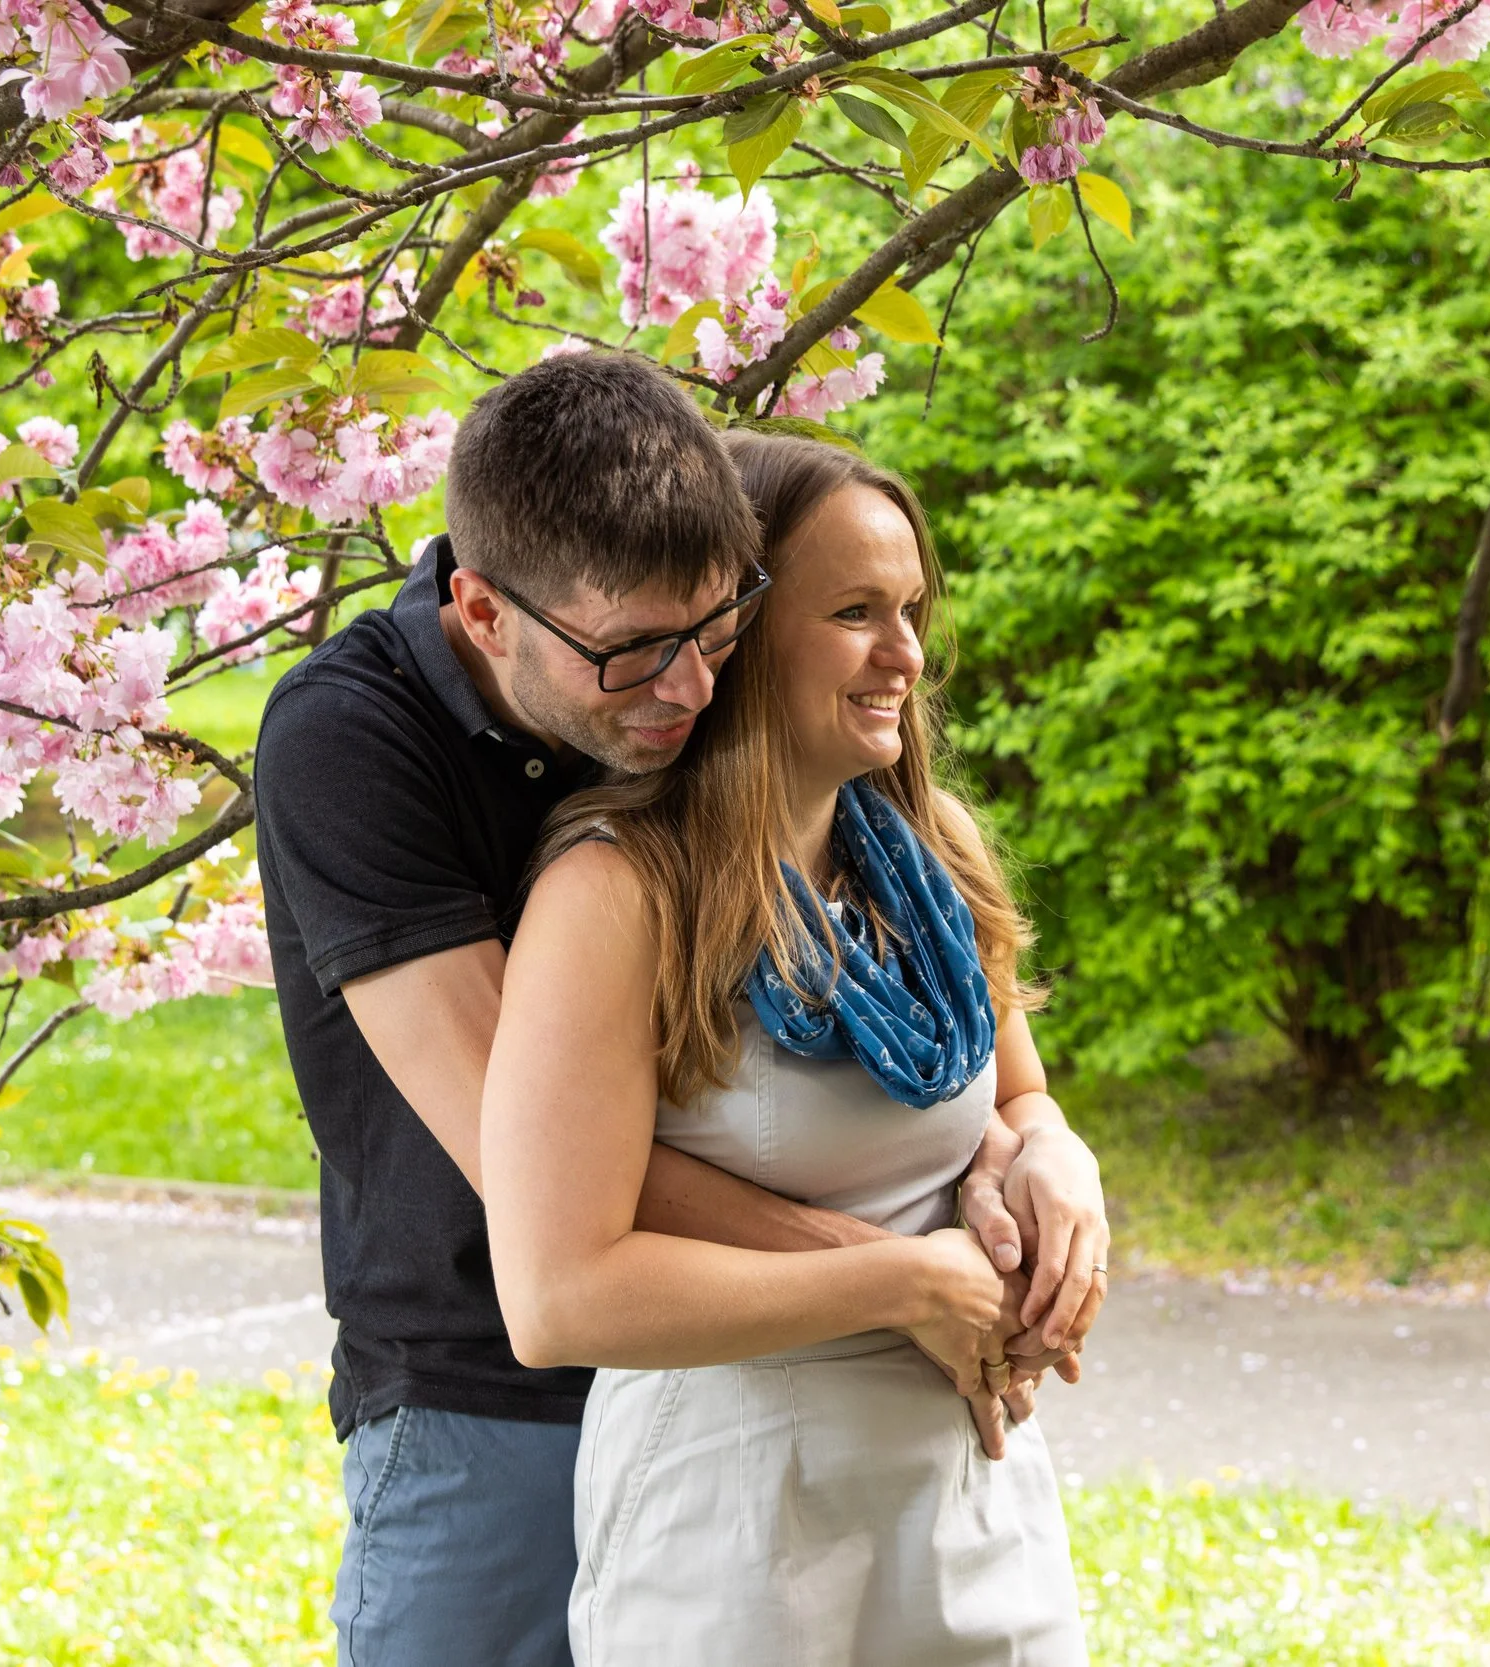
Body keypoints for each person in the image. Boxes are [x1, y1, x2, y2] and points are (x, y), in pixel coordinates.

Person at [253, 356, 1102, 1667]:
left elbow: (965, 1082)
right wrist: (901, 1275)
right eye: (636, 656)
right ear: (484, 611)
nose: (691, 692)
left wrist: (1023, 1142)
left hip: (841, 1420)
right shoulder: (362, 746)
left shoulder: (847, 821)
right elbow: (524, 1158)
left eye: (715, 633)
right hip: (488, 1391)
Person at [482, 430, 1107, 1665]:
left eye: (911, 609)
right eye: (855, 611)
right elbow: (558, 1296)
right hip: (738, 1528)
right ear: (739, 630)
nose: (906, 654)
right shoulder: (618, 894)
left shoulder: (928, 855)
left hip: (971, 1499)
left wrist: (1054, 1154)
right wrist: (908, 1278)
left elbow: (1018, 1091)